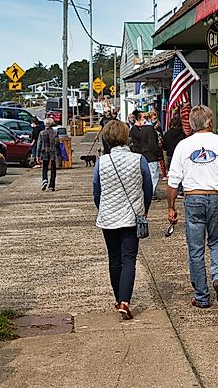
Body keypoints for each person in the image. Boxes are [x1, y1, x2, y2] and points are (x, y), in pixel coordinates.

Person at [167, 105, 218, 309]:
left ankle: (201, 296)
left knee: (196, 248)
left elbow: (173, 180)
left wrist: (171, 207)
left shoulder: (183, 146)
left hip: (193, 199)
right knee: (217, 241)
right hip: (217, 198)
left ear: (191, 125)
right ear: (210, 122)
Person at [93, 120, 152, 320]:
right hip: (131, 217)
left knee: (114, 258)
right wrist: (143, 210)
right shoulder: (139, 160)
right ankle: (125, 301)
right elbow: (148, 188)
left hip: (108, 218)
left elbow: (96, 191)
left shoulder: (102, 162)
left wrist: (104, 208)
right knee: (129, 258)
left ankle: (119, 298)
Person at [130, 111, 163, 196]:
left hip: (144, 153)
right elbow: (152, 144)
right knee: (153, 175)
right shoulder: (149, 129)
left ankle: (149, 192)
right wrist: (156, 151)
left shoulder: (143, 129)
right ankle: (151, 193)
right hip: (151, 155)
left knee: (148, 175)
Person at [37, 118, 61, 192]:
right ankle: (51, 186)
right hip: (53, 152)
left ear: (45, 124)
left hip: (45, 152)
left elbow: (39, 145)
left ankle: (44, 179)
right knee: (53, 169)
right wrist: (59, 154)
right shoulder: (55, 132)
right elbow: (57, 144)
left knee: (45, 167)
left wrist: (37, 155)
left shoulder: (42, 133)